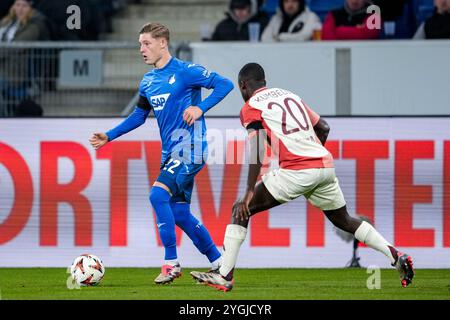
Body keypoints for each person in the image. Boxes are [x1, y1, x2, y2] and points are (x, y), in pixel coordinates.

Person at [190, 63, 414, 292]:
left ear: (243, 85)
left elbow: (256, 145)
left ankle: (224, 274)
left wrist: (248, 189)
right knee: (343, 219)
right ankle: (396, 256)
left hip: (297, 170)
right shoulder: (290, 95)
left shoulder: (250, 107)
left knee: (241, 208)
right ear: (264, 81)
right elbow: (324, 128)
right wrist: (313, 161)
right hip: (324, 166)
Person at [89, 23, 234, 284]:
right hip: (171, 153)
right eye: (140, 44)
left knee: (157, 195)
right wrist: (109, 135)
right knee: (178, 214)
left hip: (191, 147)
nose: (141, 49)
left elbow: (225, 84)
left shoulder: (186, 71)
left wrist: (200, 108)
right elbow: (138, 116)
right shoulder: (148, 81)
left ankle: (171, 263)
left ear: (163, 43)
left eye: (146, 43)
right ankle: (220, 264)